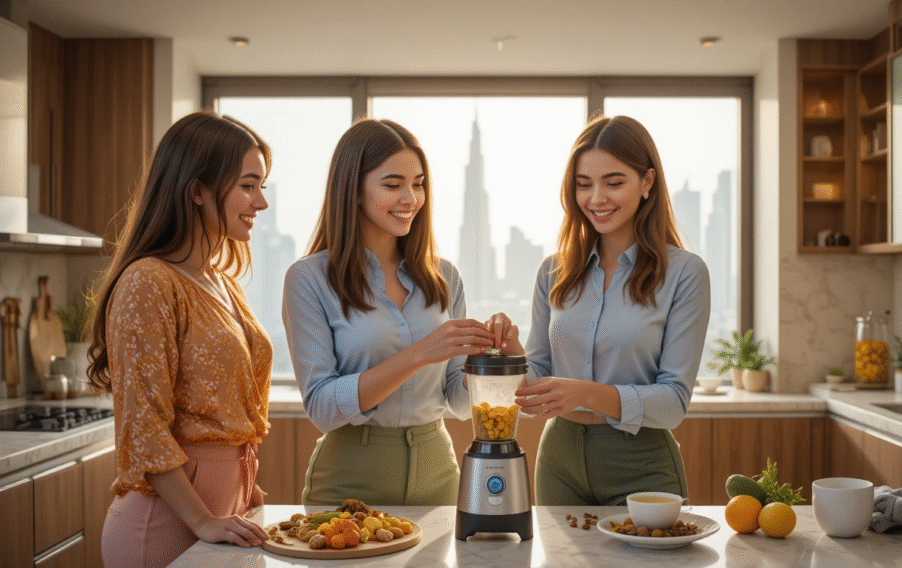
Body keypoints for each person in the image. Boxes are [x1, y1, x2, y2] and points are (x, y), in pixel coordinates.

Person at [88, 111, 273, 568]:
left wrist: (243, 490)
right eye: (248, 186)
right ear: (197, 190)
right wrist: (204, 519)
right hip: (166, 526)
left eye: (262, 187)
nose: (261, 202)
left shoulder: (224, 284)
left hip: (222, 515)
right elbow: (144, 428)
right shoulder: (148, 281)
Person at [492, 115, 710, 506]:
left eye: (614, 183)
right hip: (558, 459)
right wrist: (512, 354)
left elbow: (674, 401)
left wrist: (586, 393)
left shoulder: (684, 274)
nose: (596, 199)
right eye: (584, 184)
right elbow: (536, 381)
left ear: (647, 183)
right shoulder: (553, 272)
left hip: (640, 462)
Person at [282, 118, 502, 506]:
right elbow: (321, 407)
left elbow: (458, 400)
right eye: (393, 184)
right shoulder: (309, 278)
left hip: (438, 469)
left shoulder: (445, 276)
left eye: (418, 184)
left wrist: (494, 360)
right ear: (353, 191)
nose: (411, 198)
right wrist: (418, 354)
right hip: (350, 476)